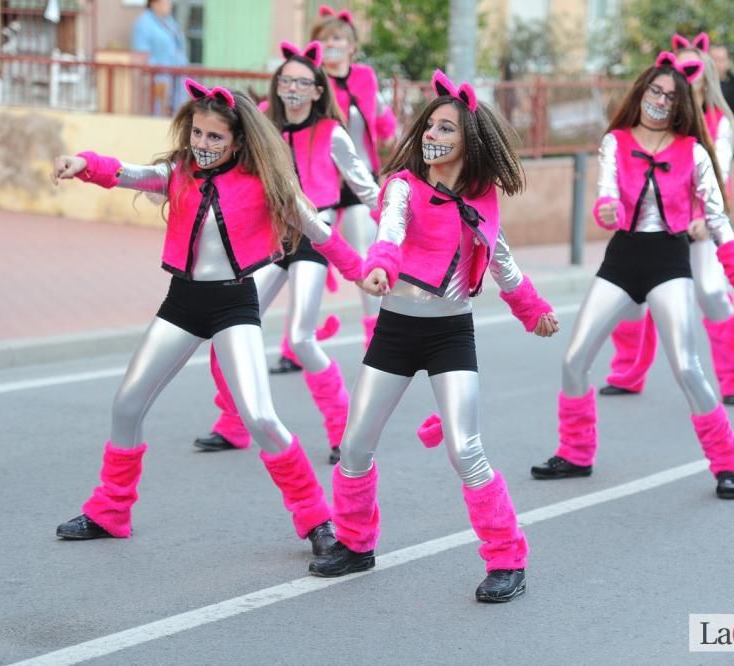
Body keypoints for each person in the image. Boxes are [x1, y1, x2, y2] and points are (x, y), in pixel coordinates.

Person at [49, 79, 365, 553]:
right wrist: (84, 165)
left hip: (234, 303)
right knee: (126, 405)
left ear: (239, 140)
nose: (202, 144)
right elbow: (129, 173)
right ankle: (110, 510)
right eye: (197, 134)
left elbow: (320, 232)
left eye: (214, 137)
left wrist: (363, 271)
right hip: (182, 302)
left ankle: (317, 520)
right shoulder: (180, 172)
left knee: (259, 416)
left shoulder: (267, 182)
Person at [308, 70, 560, 603]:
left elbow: (504, 264)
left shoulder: (480, 202)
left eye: (446, 127)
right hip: (396, 328)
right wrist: (379, 265)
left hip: (450, 332)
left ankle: (507, 558)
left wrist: (532, 310)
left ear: (470, 141)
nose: (432, 135)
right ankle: (355, 542)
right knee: (354, 445)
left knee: (465, 448)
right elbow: (390, 233)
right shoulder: (403, 186)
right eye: (429, 126)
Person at [528, 52, 734, 501]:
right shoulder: (615, 142)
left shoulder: (693, 151)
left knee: (688, 368)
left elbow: (718, 218)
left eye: (671, 96)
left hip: (669, 260)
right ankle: (576, 452)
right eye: (655, 90)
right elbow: (605, 196)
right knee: (573, 360)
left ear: (681, 105)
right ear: (641, 92)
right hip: (623, 257)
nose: (661, 99)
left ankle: (727, 464)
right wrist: (605, 209)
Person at [192, 41, 380, 464]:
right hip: (270, 238)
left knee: (300, 337)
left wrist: (397, 224)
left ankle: (344, 431)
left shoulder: (333, 132)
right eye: (286, 80)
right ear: (277, 86)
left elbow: (366, 187)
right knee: (229, 329)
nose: (292, 88)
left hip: (315, 238)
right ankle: (234, 423)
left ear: (317, 90)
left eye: (302, 82)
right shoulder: (261, 122)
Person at [598, 35, 734, 405]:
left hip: (697, 229)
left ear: (705, 76)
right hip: (653, 230)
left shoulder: (718, 125)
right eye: (672, 71)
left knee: (713, 294)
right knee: (631, 301)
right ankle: (628, 372)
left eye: (689, 70)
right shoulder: (655, 122)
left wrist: (701, 219)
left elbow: (718, 175)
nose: (680, 78)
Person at [269, 4, 399, 375]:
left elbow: (376, 116)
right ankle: (293, 347)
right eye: (325, 41)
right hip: (318, 188)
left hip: (358, 183)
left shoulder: (365, 78)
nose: (333, 46)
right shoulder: (312, 85)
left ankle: (379, 345)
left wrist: (396, 137)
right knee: (298, 261)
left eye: (339, 39)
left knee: (363, 258)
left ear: (353, 45)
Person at [132, 0, 189, 115]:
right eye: (165, 1)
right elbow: (142, 55)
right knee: (158, 114)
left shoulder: (170, 22)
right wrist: (155, 75)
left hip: (177, 77)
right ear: (154, 3)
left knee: (178, 115)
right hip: (158, 80)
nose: (169, 4)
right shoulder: (143, 24)